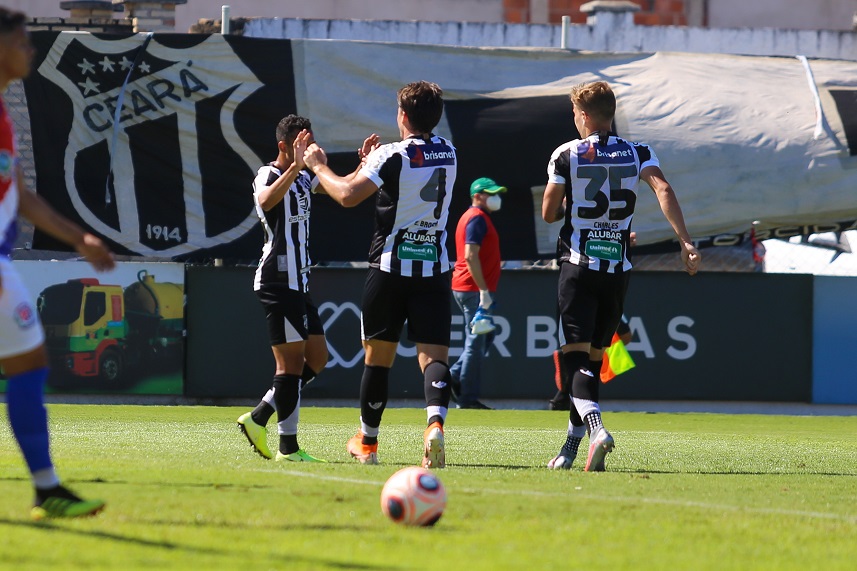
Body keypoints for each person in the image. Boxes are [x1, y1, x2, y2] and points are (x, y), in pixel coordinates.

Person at [542, 81, 700, 472]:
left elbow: (548, 213)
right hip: (618, 271)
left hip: (578, 266)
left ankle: (596, 431)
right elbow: (662, 187)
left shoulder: (567, 154)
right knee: (592, 364)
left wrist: (572, 205)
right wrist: (685, 242)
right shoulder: (638, 151)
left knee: (576, 359)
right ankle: (570, 449)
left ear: (583, 116)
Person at [303, 80, 456, 469]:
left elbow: (347, 195)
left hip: (390, 268)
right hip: (434, 269)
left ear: (402, 115)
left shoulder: (393, 154)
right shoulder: (450, 153)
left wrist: (318, 164)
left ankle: (368, 444)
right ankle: (434, 424)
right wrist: (369, 163)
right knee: (434, 357)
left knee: (378, 359)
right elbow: (403, 178)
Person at [0, 7, 114, 519]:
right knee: (28, 362)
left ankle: (47, 488)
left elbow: (19, 195)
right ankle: (46, 487)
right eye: (22, 43)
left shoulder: (3, 111)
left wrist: (79, 237)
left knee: (28, 362)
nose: (29, 50)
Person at [236, 115, 328, 463]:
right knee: (288, 368)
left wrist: (365, 166)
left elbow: (338, 186)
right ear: (283, 147)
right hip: (277, 279)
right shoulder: (270, 173)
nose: (307, 150)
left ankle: (259, 416)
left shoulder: (305, 179)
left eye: (309, 142)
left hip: (299, 283)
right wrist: (296, 167)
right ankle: (288, 447)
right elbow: (265, 202)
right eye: (300, 144)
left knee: (317, 358)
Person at [449, 177, 507, 410]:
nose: (495, 197)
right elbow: (471, 255)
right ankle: (466, 398)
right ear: (477, 195)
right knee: (476, 341)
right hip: (473, 289)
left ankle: (451, 377)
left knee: (485, 336)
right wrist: (483, 290)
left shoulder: (476, 218)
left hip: (471, 287)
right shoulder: (476, 219)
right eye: (490, 193)